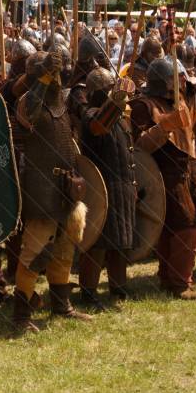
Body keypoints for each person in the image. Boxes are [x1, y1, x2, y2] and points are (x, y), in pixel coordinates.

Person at [11, 42, 92, 327]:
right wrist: (42, 78)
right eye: (50, 75)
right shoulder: (26, 104)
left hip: (66, 186)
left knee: (64, 249)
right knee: (35, 252)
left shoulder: (61, 105)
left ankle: (62, 304)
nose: (56, 79)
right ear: (38, 76)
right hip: (41, 186)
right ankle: (21, 313)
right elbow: (29, 112)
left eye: (56, 75)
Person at [129, 57, 196, 298]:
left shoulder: (178, 102)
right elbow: (139, 146)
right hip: (160, 175)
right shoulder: (144, 106)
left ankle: (168, 277)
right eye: (176, 77)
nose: (182, 80)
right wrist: (165, 126)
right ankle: (181, 283)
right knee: (186, 223)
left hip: (182, 172)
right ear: (163, 81)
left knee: (173, 226)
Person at [73, 66, 139, 304]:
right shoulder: (91, 114)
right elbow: (100, 125)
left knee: (121, 243)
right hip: (103, 190)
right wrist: (117, 98)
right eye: (107, 89)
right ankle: (88, 291)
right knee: (96, 244)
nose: (110, 92)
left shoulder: (121, 118)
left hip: (122, 187)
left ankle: (118, 288)